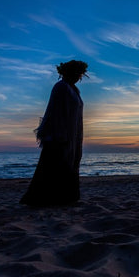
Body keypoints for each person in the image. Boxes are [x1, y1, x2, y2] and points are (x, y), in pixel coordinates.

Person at [20, 60, 88, 207]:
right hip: (60, 134)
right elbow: (54, 112)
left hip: (73, 134)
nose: (78, 77)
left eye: (80, 74)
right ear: (67, 72)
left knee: (70, 163)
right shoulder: (61, 87)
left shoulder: (74, 90)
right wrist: (57, 134)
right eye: (76, 73)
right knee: (54, 165)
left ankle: (66, 197)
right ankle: (47, 198)